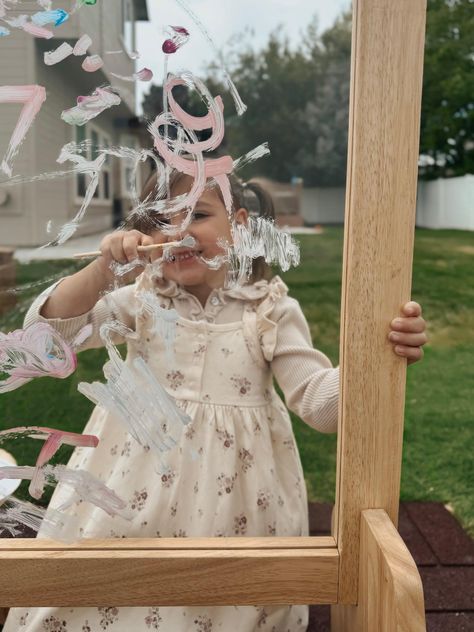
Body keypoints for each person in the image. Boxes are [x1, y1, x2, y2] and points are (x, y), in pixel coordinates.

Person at [4, 171, 427, 632]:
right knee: (108, 595)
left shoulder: (270, 311)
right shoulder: (139, 302)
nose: (178, 231)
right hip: (127, 491)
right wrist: (103, 271)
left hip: (236, 506)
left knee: (221, 603)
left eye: (198, 215)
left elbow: (319, 405)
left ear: (239, 225)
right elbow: (48, 338)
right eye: (161, 221)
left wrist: (377, 356)